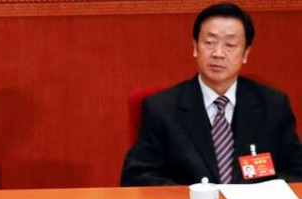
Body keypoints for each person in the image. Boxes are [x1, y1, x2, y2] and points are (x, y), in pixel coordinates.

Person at [121, 3, 302, 186]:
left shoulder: (273, 106)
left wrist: (262, 196)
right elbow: (136, 177)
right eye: (209, 42)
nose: (218, 53)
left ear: (246, 53)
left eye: (230, 45)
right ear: (195, 47)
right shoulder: (161, 108)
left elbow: (297, 171)